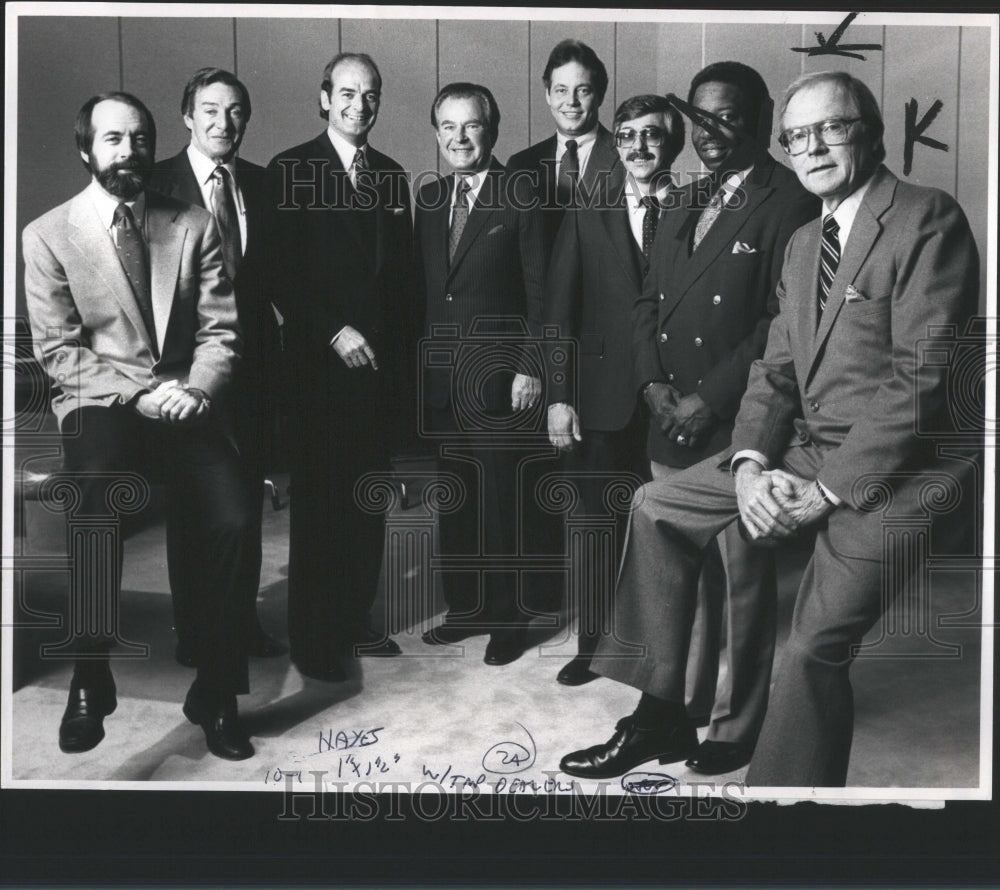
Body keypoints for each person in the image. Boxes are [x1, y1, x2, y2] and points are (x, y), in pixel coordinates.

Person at [559, 70, 979, 787]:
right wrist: (751, 461)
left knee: (811, 649)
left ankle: (783, 812)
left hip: (898, 470)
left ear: (870, 134)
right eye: (799, 134)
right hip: (804, 446)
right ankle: (661, 708)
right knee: (655, 505)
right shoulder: (804, 241)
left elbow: (919, 382)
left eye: (832, 128)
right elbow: (776, 373)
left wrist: (824, 491)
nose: (813, 147)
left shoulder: (926, 218)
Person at [23, 92, 256, 760]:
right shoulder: (46, 235)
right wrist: (143, 394)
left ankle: (216, 689)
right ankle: (91, 675)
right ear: (86, 150)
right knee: (94, 494)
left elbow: (222, 330)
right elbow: (60, 353)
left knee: (234, 514)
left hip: (184, 398)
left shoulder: (190, 224)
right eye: (114, 139)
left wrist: (199, 388)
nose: (130, 152)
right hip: (101, 400)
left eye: (141, 139)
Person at [630, 62, 819, 774]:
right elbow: (647, 301)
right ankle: (680, 703)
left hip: (735, 419)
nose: (710, 132)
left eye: (729, 117)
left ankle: (738, 725)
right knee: (682, 578)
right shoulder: (683, 197)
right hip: (665, 411)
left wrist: (704, 399)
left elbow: (781, 323)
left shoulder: (791, 201)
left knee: (740, 584)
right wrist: (652, 385)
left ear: (763, 119)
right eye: (701, 117)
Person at [265, 53, 417, 682]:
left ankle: (355, 618)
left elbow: (400, 277)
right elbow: (278, 272)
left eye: (371, 93)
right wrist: (333, 329)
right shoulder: (291, 168)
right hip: (318, 367)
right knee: (322, 505)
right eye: (348, 93)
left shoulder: (389, 173)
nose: (360, 104)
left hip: (376, 366)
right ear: (324, 98)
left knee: (366, 500)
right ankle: (312, 638)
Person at [544, 94, 685, 687]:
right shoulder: (587, 207)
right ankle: (594, 645)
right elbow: (558, 307)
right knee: (596, 529)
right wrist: (557, 394)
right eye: (626, 136)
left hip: (675, 395)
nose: (638, 148)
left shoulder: (698, 205)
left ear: (671, 143)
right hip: (599, 395)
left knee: (671, 530)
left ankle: (666, 647)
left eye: (651, 136)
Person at [150, 67, 284, 668]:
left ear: (246, 120)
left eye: (234, 111)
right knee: (193, 504)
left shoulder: (261, 183)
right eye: (209, 109)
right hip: (185, 372)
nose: (222, 122)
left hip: (254, 368)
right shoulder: (157, 185)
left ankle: (239, 623)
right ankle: (193, 627)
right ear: (187, 115)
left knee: (245, 504)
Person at [415, 82, 548, 666]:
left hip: (500, 381)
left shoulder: (521, 194)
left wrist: (530, 368)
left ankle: (509, 620)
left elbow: (544, 293)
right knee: (458, 500)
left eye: (471, 126)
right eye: (448, 127)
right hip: (444, 380)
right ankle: (466, 609)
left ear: (491, 132)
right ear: (437, 133)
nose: (460, 138)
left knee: (503, 503)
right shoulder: (428, 200)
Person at [508, 39, 620, 253]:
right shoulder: (521, 164)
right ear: (548, 95)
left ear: (600, 95)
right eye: (561, 90)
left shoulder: (625, 159)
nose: (571, 101)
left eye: (583, 90)